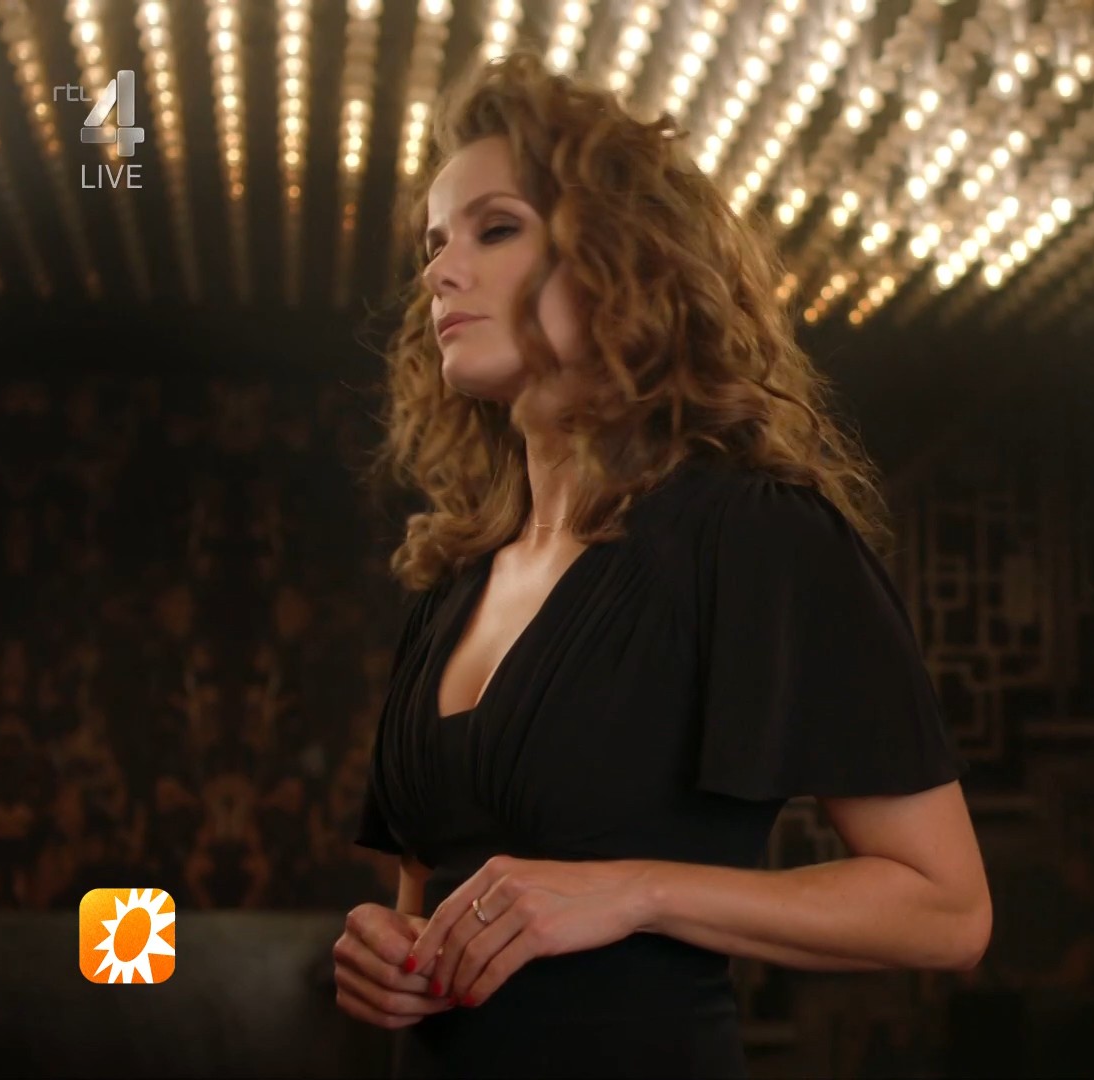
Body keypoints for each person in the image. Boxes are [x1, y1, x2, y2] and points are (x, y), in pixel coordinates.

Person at [332, 52, 991, 1079]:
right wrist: (390, 953)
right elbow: (433, 897)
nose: (439, 272)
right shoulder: (454, 581)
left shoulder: (755, 536)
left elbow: (947, 911)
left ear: (617, 260)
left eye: (495, 229)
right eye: (435, 242)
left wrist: (636, 891)